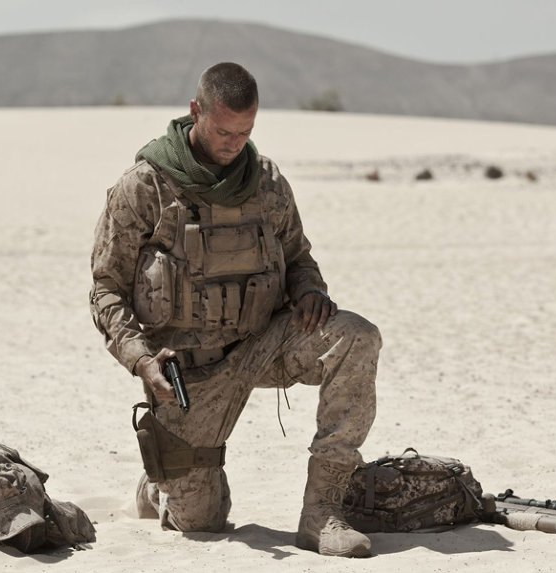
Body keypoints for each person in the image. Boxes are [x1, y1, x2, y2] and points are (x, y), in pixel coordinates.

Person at [89, 62, 381, 558]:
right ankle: (159, 484)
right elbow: (106, 289)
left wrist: (310, 289)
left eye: (245, 132)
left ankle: (322, 514)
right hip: (189, 371)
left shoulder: (267, 181)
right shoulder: (145, 187)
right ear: (195, 111)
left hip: (264, 344)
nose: (234, 143)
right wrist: (141, 360)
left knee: (357, 336)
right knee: (201, 522)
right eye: (223, 131)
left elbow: (298, 257)